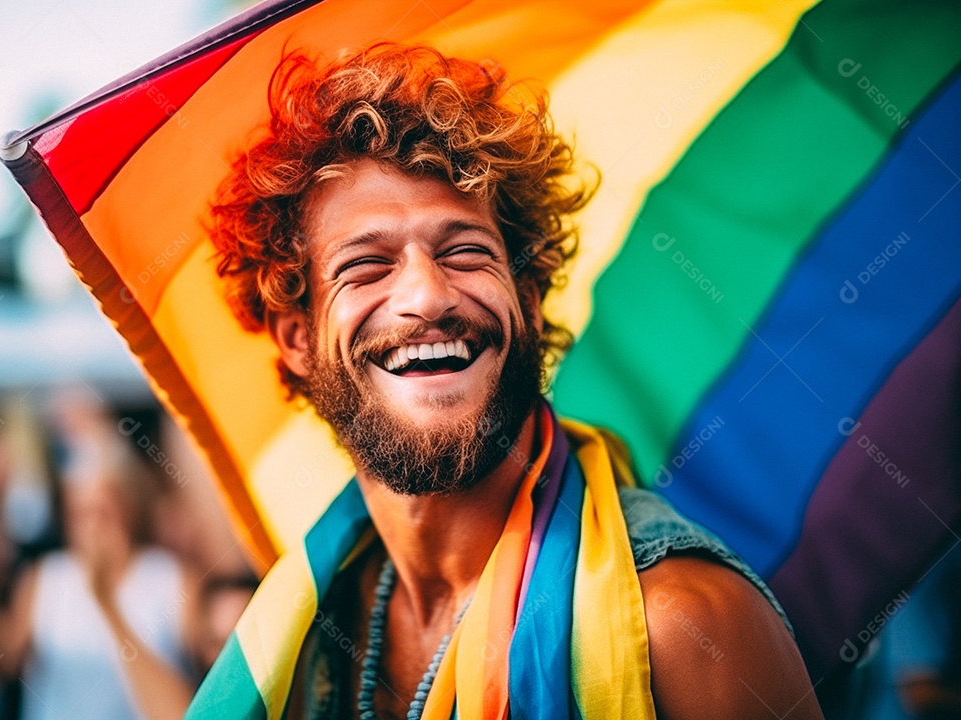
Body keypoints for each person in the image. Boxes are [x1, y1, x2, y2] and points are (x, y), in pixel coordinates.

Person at [190, 43, 823, 719]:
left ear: (526, 297)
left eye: (464, 253)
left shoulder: (686, 627)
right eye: (367, 267)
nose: (428, 297)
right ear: (297, 339)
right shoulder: (303, 639)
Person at [0, 412, 200, 720]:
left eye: (103, 511)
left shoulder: (171, 579)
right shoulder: (47, 577)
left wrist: (106, 602)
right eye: (79, 513)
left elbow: (186, 708)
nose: (92, 527)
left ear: (129, 508)